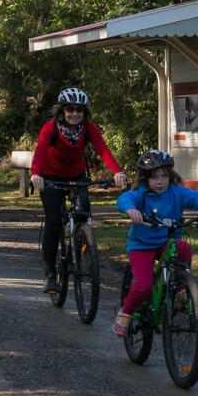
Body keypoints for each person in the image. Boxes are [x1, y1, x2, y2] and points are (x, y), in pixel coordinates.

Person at [112, 150, 198, 337]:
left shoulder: (177, 192)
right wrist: (130, 209)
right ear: (146, 179)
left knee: (184, 249)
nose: (160, 181)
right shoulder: (141, 193)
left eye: (164, 176)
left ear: (170, 176)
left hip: (167, 240)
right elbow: (125, 199)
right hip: (142, 245)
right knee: (144, 286)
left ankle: (180, 287)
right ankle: (126, 312)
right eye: (155, 177)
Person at [30, 87, 127, 293]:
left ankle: (81, 244)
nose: (75, 114)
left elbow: (103, 150)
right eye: (70, 110)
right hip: (49, 178)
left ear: (85, 113)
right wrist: (35, 174)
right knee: (54, 222)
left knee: (83, 213)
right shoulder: (51, 128)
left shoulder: (88, 128)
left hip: (76, 176)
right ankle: (49, 273)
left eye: (80, 110)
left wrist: (118, 171)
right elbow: (39, 152)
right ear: (62, 110)